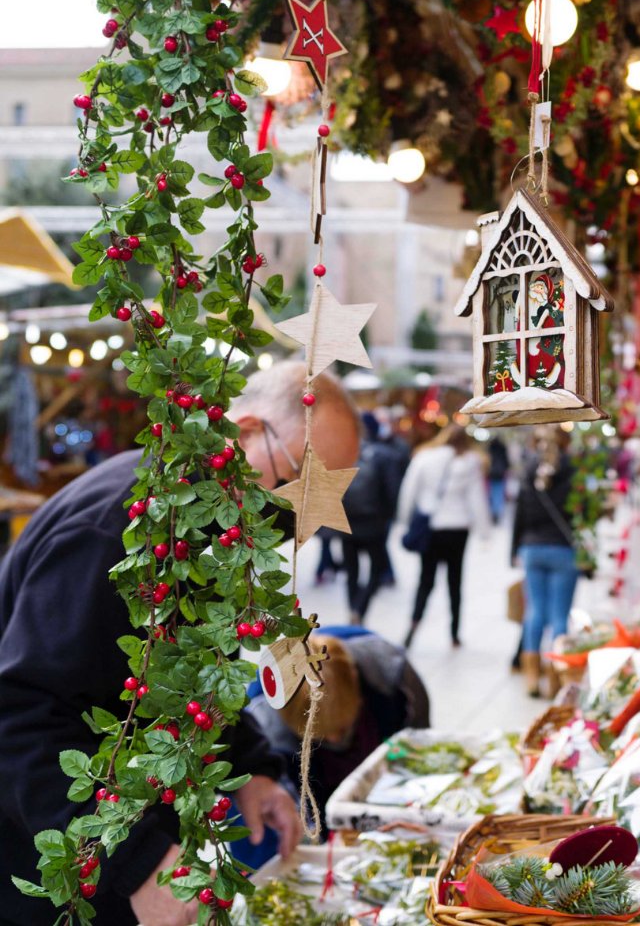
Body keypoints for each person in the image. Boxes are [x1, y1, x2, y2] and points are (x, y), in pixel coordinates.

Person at [0, 361, 359, 926]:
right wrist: (136, 863)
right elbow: (22, 718)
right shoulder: (113, 533)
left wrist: (252, 766)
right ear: (243, 434)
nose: (302, 520)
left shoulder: (198, 528)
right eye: (300, 485)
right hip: (46, 868)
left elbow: (183, 677)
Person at [240, 626, 429, 863]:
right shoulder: (264, 731)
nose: (335, 740)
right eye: (319, 736)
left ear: (358, 692)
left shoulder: (392, 672)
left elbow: (419, 746)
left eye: (342, 727)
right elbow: (299, 828)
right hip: (318, 792)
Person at [397, 424, 490, 649]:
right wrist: (484, 531)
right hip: (458, 528)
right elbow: (476, 498)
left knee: (425, 581)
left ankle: (413, 624)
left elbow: (409, 490)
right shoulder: (470, 462)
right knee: (455, 582)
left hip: (432, 527)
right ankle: (454, 633)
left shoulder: (425, 457)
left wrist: (404, 520)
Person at [512, 429, 578, 698]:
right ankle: (555, 678)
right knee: (560, 617)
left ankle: (531, 677)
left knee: (534, 612)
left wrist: (514, 549)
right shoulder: (572, 471)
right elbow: (581, 512)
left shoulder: (528, 471)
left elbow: (519, 514)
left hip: (532, 548)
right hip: (564, 549)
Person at [340, 413, 405, 623]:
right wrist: (388, 518)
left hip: (346, 521)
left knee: (352, 572)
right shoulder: (385, 455)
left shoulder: (346, 454)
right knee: (376, 571)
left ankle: (353, 608)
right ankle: (362, 608)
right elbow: (393, 491)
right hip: (374, 524)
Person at [487, 434, 510, 523]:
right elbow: (506, 460)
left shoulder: (490, 448)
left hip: (492, 473)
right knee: (499, 492)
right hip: (500, 472)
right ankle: (497, 511)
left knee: (493, 492)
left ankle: (494, 511)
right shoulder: (502, 447)